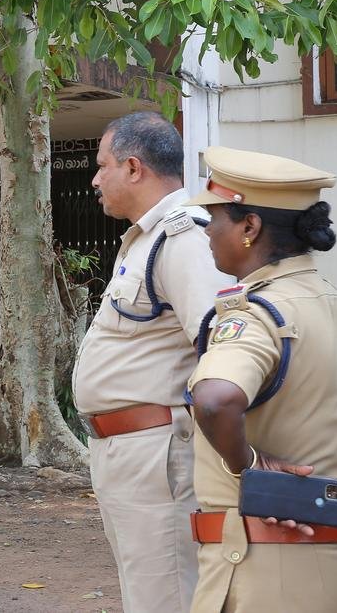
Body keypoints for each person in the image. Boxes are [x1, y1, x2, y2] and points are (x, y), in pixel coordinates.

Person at [184, 146, 337, 612]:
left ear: (250, 227)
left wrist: (246, 465)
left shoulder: (254, 316)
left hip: (268, 573)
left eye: (214, 217)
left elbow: (214, 400)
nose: (208, 232)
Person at [72, 112, 233, 612]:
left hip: (156, 451)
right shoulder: (147, 237)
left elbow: (222, 346)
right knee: (147, 592)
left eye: (102, 166)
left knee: (164, 596)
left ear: (134, 168)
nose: (95, 179)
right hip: (130, 452)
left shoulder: (184, 237)